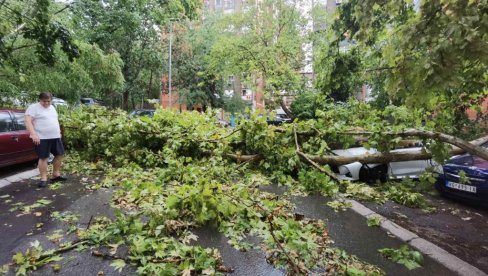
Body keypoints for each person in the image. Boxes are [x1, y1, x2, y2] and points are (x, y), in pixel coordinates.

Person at [25, 92, 67, 187]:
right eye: (44, 101)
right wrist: (33, 134)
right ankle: (43, 178)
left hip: (55, 136)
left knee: (60, 154)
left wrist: (59, 132)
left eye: (48, 101)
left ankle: (56, 175)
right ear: (40, 100)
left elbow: (55, 120)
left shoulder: (52, 108)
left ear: (51, 100)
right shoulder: (33, 108)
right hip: (42, 138)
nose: (47, 103)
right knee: (44, 157)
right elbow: (27, 121)